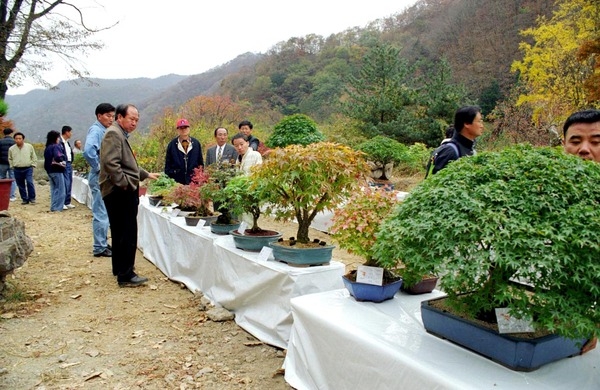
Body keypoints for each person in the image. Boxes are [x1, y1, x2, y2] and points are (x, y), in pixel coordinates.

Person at [100, 104, 159, 287]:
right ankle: (126, 275)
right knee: (127, 232)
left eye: (136, 120)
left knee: (119, 232)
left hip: (118, 190)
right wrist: (125, 185)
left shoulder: (119, 133)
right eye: (131, 119)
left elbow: (127, 164)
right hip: (119, 192)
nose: (134, 123)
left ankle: (119, 268)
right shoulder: (114, 134)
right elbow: (111, 164)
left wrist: (146, 174)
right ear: (120, 117)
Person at [83, 103, 115, 258]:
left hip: (104, 177)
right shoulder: (96, 130)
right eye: (108, 116)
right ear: (99, 116)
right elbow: (88, 151)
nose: (111, 119)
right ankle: (99, 247)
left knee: (105, 211)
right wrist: (98, 168)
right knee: (101, 211)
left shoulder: (104, 130)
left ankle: (102, 243)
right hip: (99, 177)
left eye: (112, 116)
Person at [431, 105, 484, 175]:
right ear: (466, 124)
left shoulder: (471, 150)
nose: (482, 126)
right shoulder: (450, 151)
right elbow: (437, 183)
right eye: (479, 121)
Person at [164, 118, 203, 184]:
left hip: (193, 181)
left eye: (185, 127)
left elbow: (200, 163)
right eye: (181, 128)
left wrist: (199, 177)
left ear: (189, 129)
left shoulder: (196, 143)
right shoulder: (172, 145)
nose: (183, 130)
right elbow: (168, 166)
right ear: (177, 130)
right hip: (176, 182)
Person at [8, 132, 37, 205]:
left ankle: (32, 198)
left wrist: (33, 164)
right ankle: (24, 199)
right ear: (14, 139)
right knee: (20, 184)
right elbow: (10, 158)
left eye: (20, 138)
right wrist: (12, 166)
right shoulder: (11, 149)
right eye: (16, 138)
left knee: (29, 182)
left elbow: (33, 156)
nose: (18, 140)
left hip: (28, 168)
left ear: (23, 139)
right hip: (17, 168)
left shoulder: (29, 146)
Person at [44, 130, 67, 212]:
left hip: (50, 170)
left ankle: (53, 206)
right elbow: (58, 157)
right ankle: (58, 207)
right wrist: (63, 157)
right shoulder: (56, 146)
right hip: (57, 170)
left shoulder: (47, 147)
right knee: (61, 190)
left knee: (54, 190)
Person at [60, 125, 75, 209]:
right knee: (65, 183)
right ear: (66, 132)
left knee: (69, 182)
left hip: (69, 164)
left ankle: (67, 201)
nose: (71, 134)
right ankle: (62, 202)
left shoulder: (67, 142)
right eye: (70, 132)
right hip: (64, 164)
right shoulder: (60, 142)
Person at [0, 128, 16, 201]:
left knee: (1, 178)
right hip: (12, 162)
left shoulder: (0, 141)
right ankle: (12, 196)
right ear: (11, 133)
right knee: (12, 179)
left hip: (2, 162)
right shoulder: (14, 142)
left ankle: (2, 194)